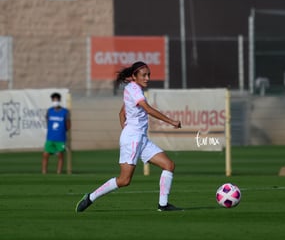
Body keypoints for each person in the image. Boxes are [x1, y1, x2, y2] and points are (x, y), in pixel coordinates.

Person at [76, 61, 182, 212]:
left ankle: (163, 205)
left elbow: (121, 113)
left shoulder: (132, 89)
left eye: (148, 75)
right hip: (133, 139)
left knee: (168, 165)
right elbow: (148, 109)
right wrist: (171, 121)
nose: (147, 78)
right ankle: (91, 197)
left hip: (139, 139)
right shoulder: (134, 90)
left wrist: (127, 131)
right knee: (124, 180)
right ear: (134, 76)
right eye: (144, 75)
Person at [42, 92, 71, 174]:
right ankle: (44, 172)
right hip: (50, 137)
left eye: (56, 100)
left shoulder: (65, 112)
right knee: (45, 154)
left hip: (60, 138)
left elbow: (68, 125)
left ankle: (59, 172)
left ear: (59, 100)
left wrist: (61, 131)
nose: (55, 101)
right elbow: (47, 121)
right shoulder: (50, 111)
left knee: (60, 155)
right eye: (53, 100)